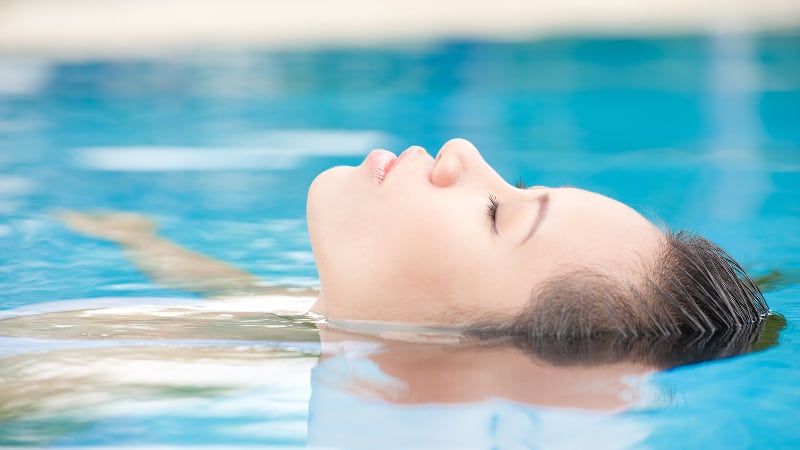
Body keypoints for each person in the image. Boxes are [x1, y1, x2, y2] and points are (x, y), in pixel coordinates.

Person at [61, 138, 769, 340]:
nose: (461, 151)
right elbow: (235, 294)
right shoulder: (332, 329)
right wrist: (138, 240)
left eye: (496, 211)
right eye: (516, 182)